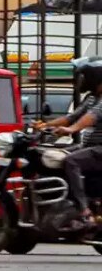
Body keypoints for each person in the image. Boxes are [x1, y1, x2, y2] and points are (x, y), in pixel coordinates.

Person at [37, 56, 102, 226]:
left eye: (84, 76)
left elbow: (92, 117)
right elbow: (71, 117)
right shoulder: (91, 97)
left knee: (71, 160)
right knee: (52, 156)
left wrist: (72, 129)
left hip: (100, 149)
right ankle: (61, 201)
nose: (81, 80)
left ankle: (83, 209)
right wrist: (45, 125)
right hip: (91, 147)